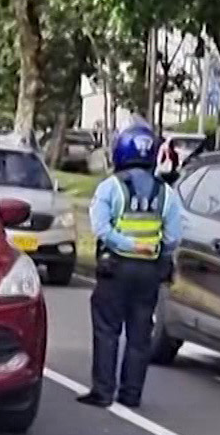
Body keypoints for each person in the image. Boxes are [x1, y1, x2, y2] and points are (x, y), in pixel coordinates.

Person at [77, 121, 181, 410]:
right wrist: (152, 249)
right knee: (140, 333)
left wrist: (127, 244)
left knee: (107, 330)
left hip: (116, 267)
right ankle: (131, 394)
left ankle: (103, 391)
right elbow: (173, 236)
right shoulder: (166, 193)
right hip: (149, 271)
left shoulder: (111, 188)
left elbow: (101, 229)